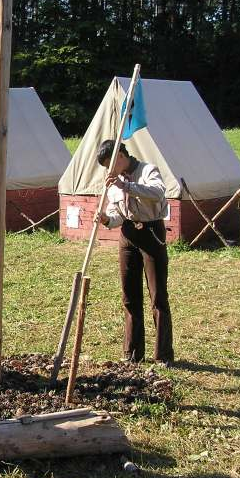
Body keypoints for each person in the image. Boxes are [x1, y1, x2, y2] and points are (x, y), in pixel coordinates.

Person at [96, 139, 174, 365]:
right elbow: (117, 213)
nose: (108, 170)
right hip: (128, 234)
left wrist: (126, 186)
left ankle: (163, 355)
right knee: (129, 295)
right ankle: (132, 352)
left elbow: (158, 193)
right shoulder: (113, 182)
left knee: (157, 295)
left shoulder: (148, 170)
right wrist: (106, 219)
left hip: (151, 232)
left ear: (120, 155)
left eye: (109, 164)